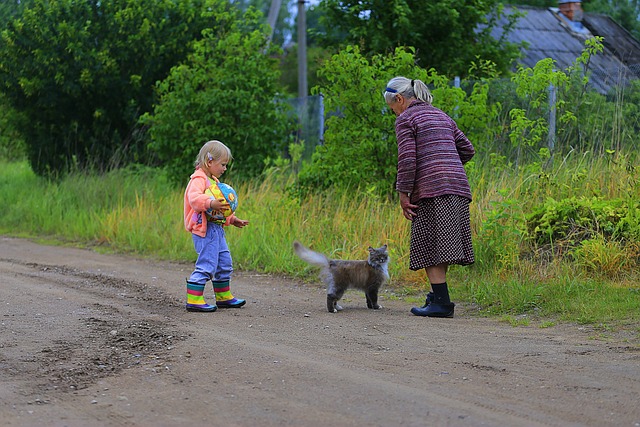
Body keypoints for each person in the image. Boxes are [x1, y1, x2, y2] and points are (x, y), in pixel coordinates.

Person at [384, 76, 475, 318]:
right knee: (440, 244)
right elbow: (467, 149)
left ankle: (442, 304)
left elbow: (407, 160)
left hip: (432, 190)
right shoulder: (441, 115)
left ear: (400, 99)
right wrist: (447, 164)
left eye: (392, 108)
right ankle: (437, 298)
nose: (394, 114)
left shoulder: (406, 119)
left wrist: (403, 194)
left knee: (429, 243)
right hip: (457, 186)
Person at [183, 140, 249, 312]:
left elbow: (220, 210)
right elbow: (194, 199)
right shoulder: (198, 179)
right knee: (207, 263)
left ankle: (223, 296)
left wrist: (232, 219)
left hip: (217, 229)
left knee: (224, 262)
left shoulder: (213, 180)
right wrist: (210, 203)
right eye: (223, 164)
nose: (224, 168)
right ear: (209, 161)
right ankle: (194, 298)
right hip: (204, 230)